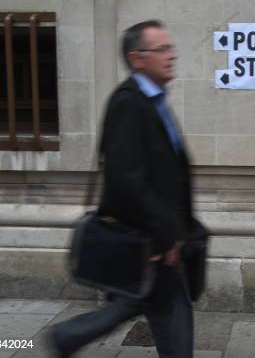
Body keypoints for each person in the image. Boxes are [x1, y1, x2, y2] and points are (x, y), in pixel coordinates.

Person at [51, 20, 204, 358]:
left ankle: (69, 336)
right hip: (150, 242)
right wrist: (164, 236)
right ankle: (68, 336)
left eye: (170, 47)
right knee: (160, 310)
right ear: (137, 59)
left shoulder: (153, 101)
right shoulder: (128, 103)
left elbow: (164, 173)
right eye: (162, 49)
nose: (171, 55)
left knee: (148, 305)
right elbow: (126, 179)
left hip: (161, 240)